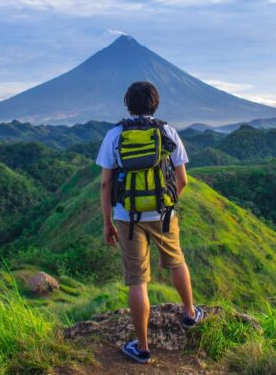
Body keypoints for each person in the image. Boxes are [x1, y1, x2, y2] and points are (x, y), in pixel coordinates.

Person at [96, 81, 203, 364]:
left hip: (126, 216)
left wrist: (107, 221)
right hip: (163, 214)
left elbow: (106, 184)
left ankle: (142, 348)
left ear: (127, 104)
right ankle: (190, 314)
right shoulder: (167, 131)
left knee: (137, 280)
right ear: (155, 104)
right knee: (177, 261)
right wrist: (167, 203)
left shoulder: (115, 134)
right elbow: (183, 180)